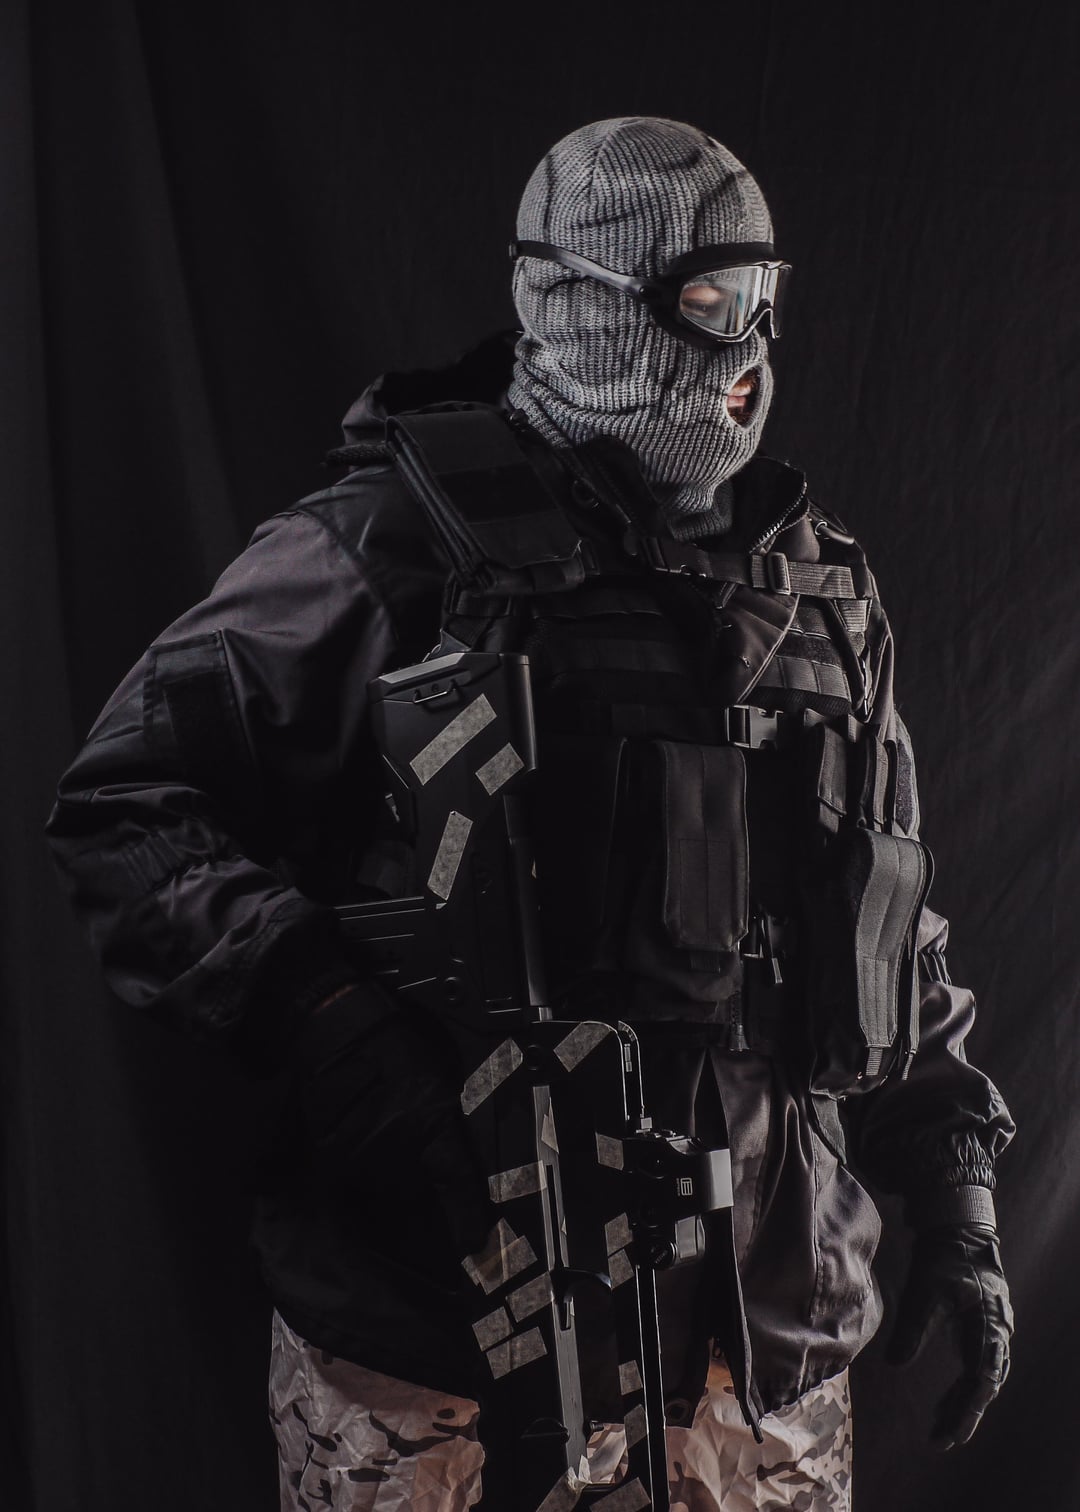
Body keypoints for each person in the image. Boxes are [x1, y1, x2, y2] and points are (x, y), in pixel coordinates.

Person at [45, 117, 1014, 1511]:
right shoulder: (388, 545)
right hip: (443, 1341)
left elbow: (888, 913)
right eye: (706, 300)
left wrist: (956, 1185)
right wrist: (330, 1017)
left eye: (765, 299)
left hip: (759, 1358)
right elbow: (129, 804)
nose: (746, 348)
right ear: (577, 298)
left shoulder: (820, 588)